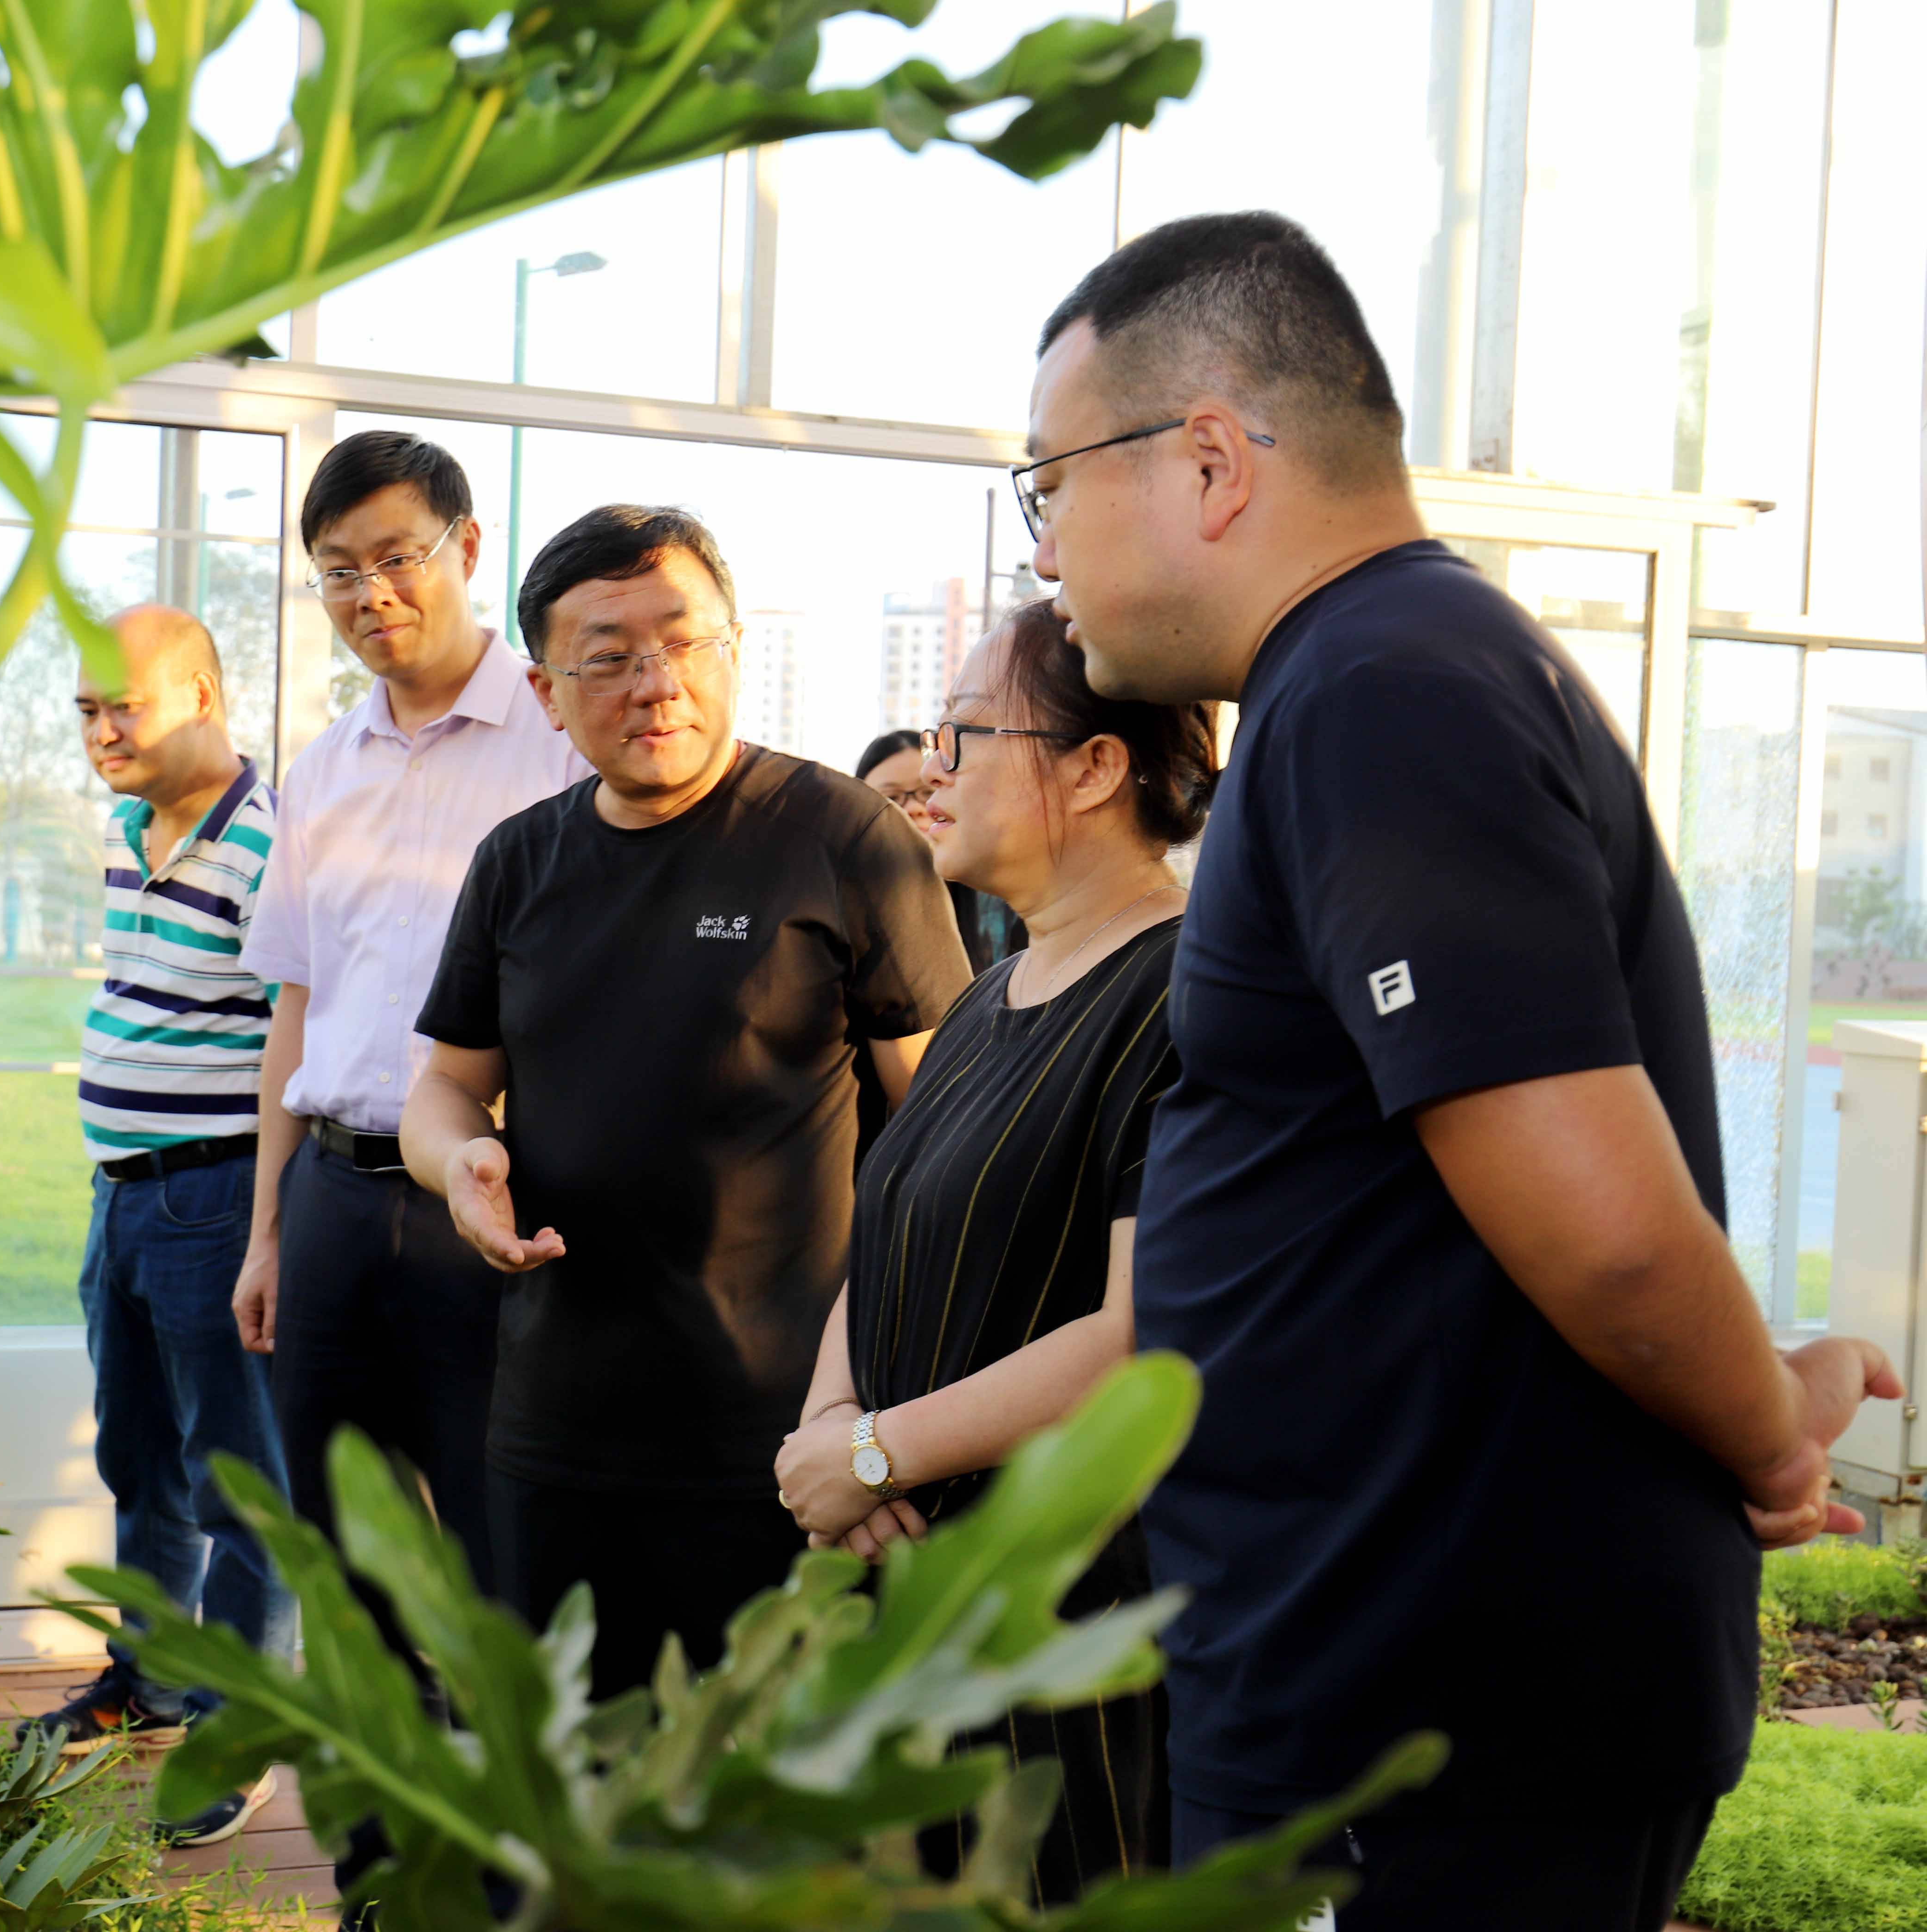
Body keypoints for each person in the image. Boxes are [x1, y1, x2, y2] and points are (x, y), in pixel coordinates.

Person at [1023, 209, 1899, 1927]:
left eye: (1042, 484)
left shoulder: (1382, 691)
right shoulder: (1369, 680)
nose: (1040, 551)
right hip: (1383, 1687)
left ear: (1206, 461)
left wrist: (1771, 1438)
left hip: (1432, 1722)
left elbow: (1601, 1220)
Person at [401, 504, 976, 1697]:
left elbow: (951, 1141)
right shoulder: (518, 862)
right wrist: (458, 1163)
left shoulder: (842, 838)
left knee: (773, 1813)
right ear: (548, 693)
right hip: (558, 1426)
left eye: (684, 641)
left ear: (733, 646)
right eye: (608, 657)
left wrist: (882, 1424)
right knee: (576, 1789)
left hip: (782, 1432)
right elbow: (446, 1091)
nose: (655, 682)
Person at [781, 599, 1210, 1901]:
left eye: (965, 733)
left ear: (1095, 768)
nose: (938, 767)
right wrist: (833, 1423)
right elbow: (894, 1235)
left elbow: (1144, 1335)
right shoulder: (989, 994)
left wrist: (872, 1453)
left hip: (1061, 1630)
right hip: (908, 1594)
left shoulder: (1185, 995)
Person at [233, 430, 585, 1581]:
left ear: (467, 546)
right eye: (338, 569)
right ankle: (349, 1759)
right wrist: (268, 1231)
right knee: (337, 1531)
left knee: (500, 1526)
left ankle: (498, 1760)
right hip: (331, 1192)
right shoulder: (321, 770)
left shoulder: (563, 741)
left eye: (397, 557)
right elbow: (297, 1006)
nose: (369, 594)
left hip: (490, 1197)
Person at [38, 605, 288, 1848]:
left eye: (122, 704)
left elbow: (305, 1032)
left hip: (218, 1195)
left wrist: (269, 1229)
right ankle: (150, 1680)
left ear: (201, 694)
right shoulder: (132, 830)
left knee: (240, 1480)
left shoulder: (272, 841)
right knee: (140, 1461)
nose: (100, 730)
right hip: (123, 1192)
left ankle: (242, 1727)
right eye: (85, 709)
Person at [853, 727, 1017, 971]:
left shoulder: (1004, 902)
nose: (915, 808)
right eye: (891, 798)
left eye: (928, 792)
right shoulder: (839, 906)